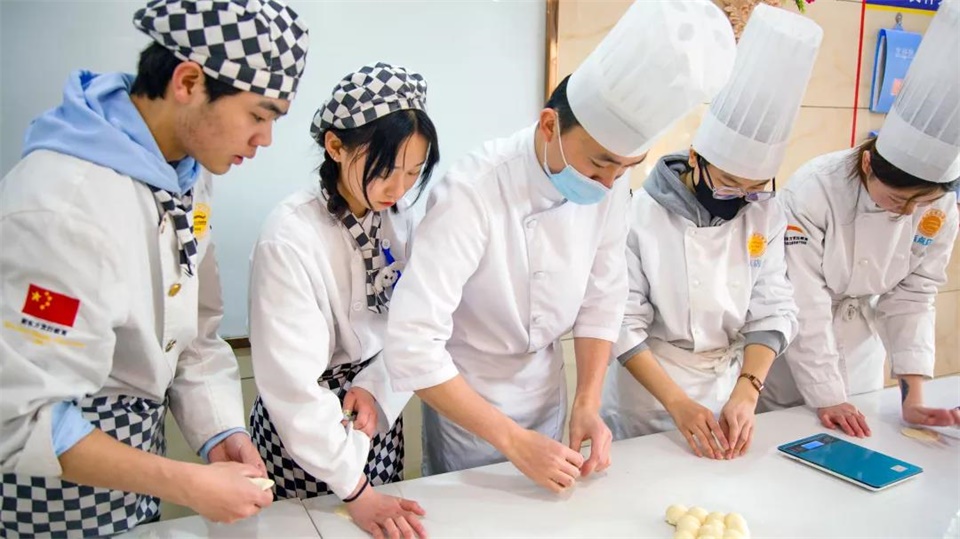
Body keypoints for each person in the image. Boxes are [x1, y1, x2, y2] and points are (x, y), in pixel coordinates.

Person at [384, 0, 737, 492]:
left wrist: (587, 402)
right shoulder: (471, 192)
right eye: (600, 164)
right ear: (549, 125)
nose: (609, 183)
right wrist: (512, 440)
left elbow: (602, 297)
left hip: (546, 393)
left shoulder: (611, 185)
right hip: (470, 404)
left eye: (625, 168)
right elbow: (412, 345)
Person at [0, 0, 309, 535]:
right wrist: (186, 484)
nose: (265, 140)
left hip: (138, 465)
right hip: (49, 484)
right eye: (259, 116)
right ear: (187, 82)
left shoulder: (185, 178)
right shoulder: (64, 204)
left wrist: (221, 433)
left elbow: (194, 332)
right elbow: (18, 416)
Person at [600, 4, 819, 460]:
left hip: (726, 386)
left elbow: (774, 306)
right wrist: (677, 403)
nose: (740, 198)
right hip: (649, 396)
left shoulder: (764, 212)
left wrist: (748, 390)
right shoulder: (641, 213)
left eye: (754, 188)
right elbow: (620, 321)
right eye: (728, 183)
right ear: (696, 159)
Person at [248, 63, 439, 539]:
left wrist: (377, 387)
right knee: (304, 529)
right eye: (385, 171)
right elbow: (290, 383)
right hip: (303, 423)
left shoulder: (400, 218)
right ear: (336, 147)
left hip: (376, 408)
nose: (399, 189)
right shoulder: (290, 236)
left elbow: (414, 324)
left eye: (413, 172)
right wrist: (356, 490)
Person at [773, 0, 960, 437]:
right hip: (796, 357)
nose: (908, 212)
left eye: (921, 203)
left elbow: (914, 294)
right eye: (898, 200)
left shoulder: (940, 205)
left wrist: (913, 395)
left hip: (861, 352)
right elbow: (804, 300)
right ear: (867, 165)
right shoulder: (815, 188)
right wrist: (826, 394)